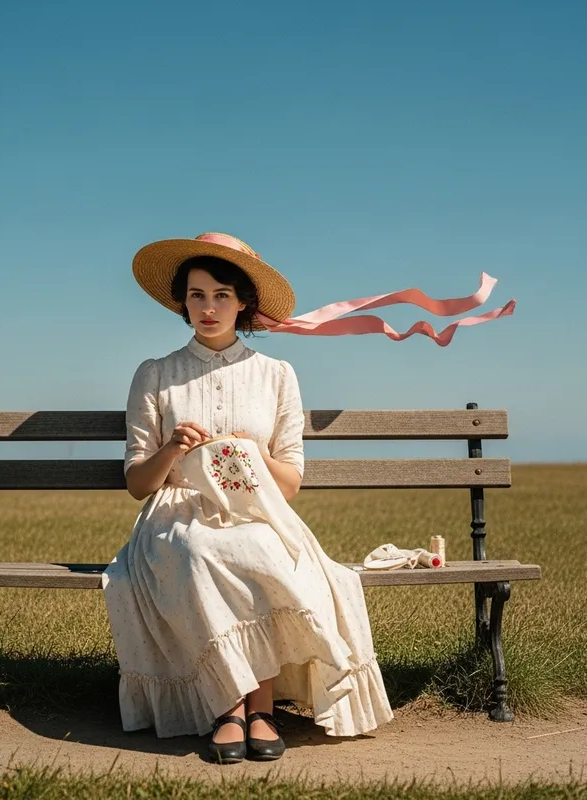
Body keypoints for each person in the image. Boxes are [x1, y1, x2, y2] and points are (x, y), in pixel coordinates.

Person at [103, 232, 394, 764]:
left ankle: (261, 708)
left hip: (258, 510)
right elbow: (138, 483)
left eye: (222, 295)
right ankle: (231, 708)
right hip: (177, 514)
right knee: (199, 551)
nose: (208, 308)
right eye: (196, 295)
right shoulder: (156, 374)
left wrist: (251, 454)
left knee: (260, 548)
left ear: (243, 303)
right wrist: (172, 448)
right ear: (182, 301)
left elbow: (290, 481)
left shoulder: (276, 375)